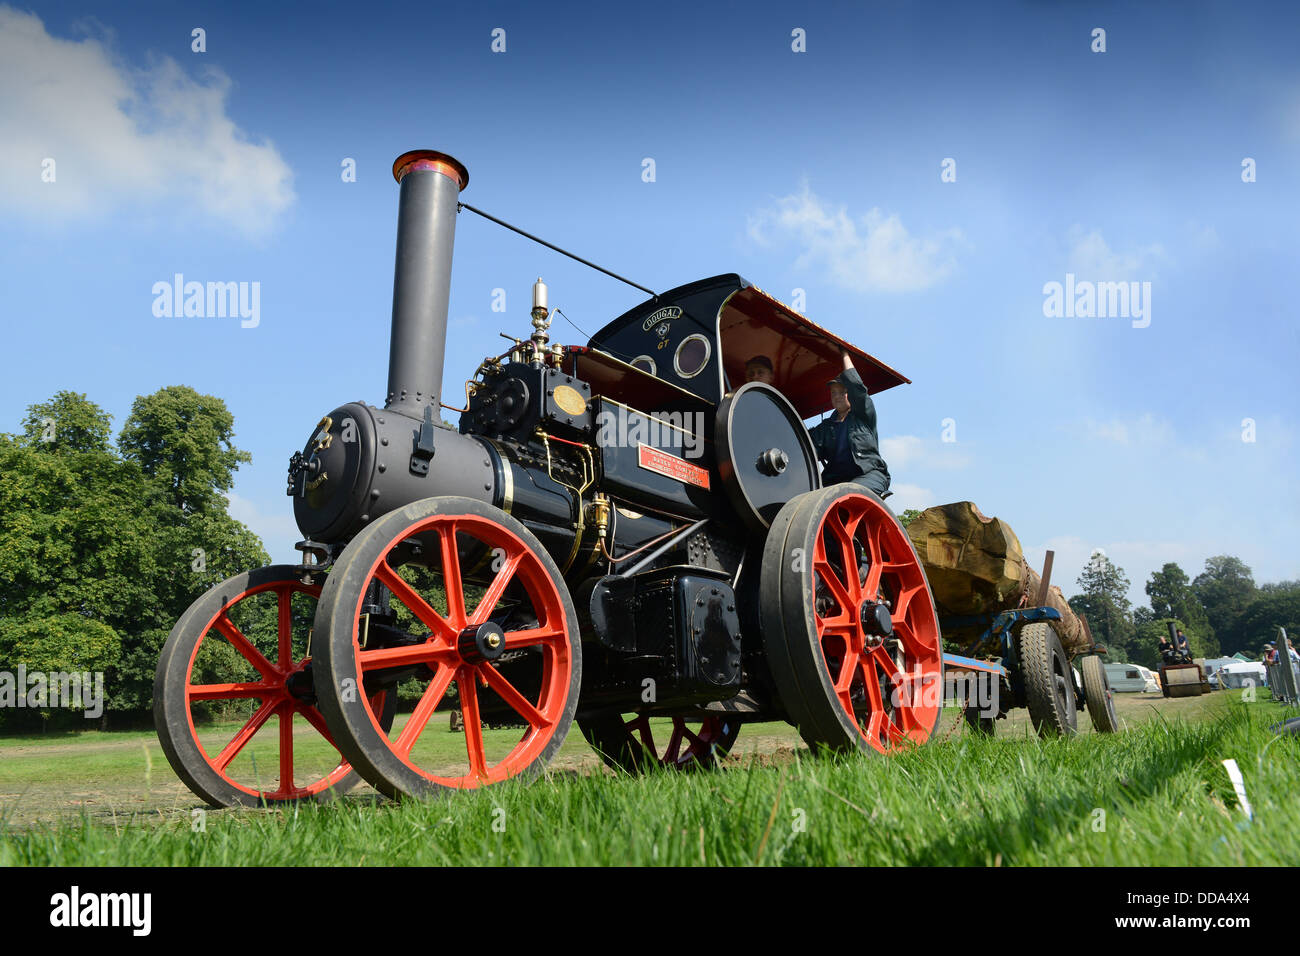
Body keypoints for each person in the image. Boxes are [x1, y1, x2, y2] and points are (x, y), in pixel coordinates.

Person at [808, 348, 891, 496]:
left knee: (847, 492)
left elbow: (857, 389)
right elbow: (804, 445)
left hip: (869, 475)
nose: (837, 396)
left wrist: (844, 354)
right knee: (808, 497)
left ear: (850, 395)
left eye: (842, 392)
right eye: (833, 393)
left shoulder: (863, 415)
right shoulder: (825, 428)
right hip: (835, 481)